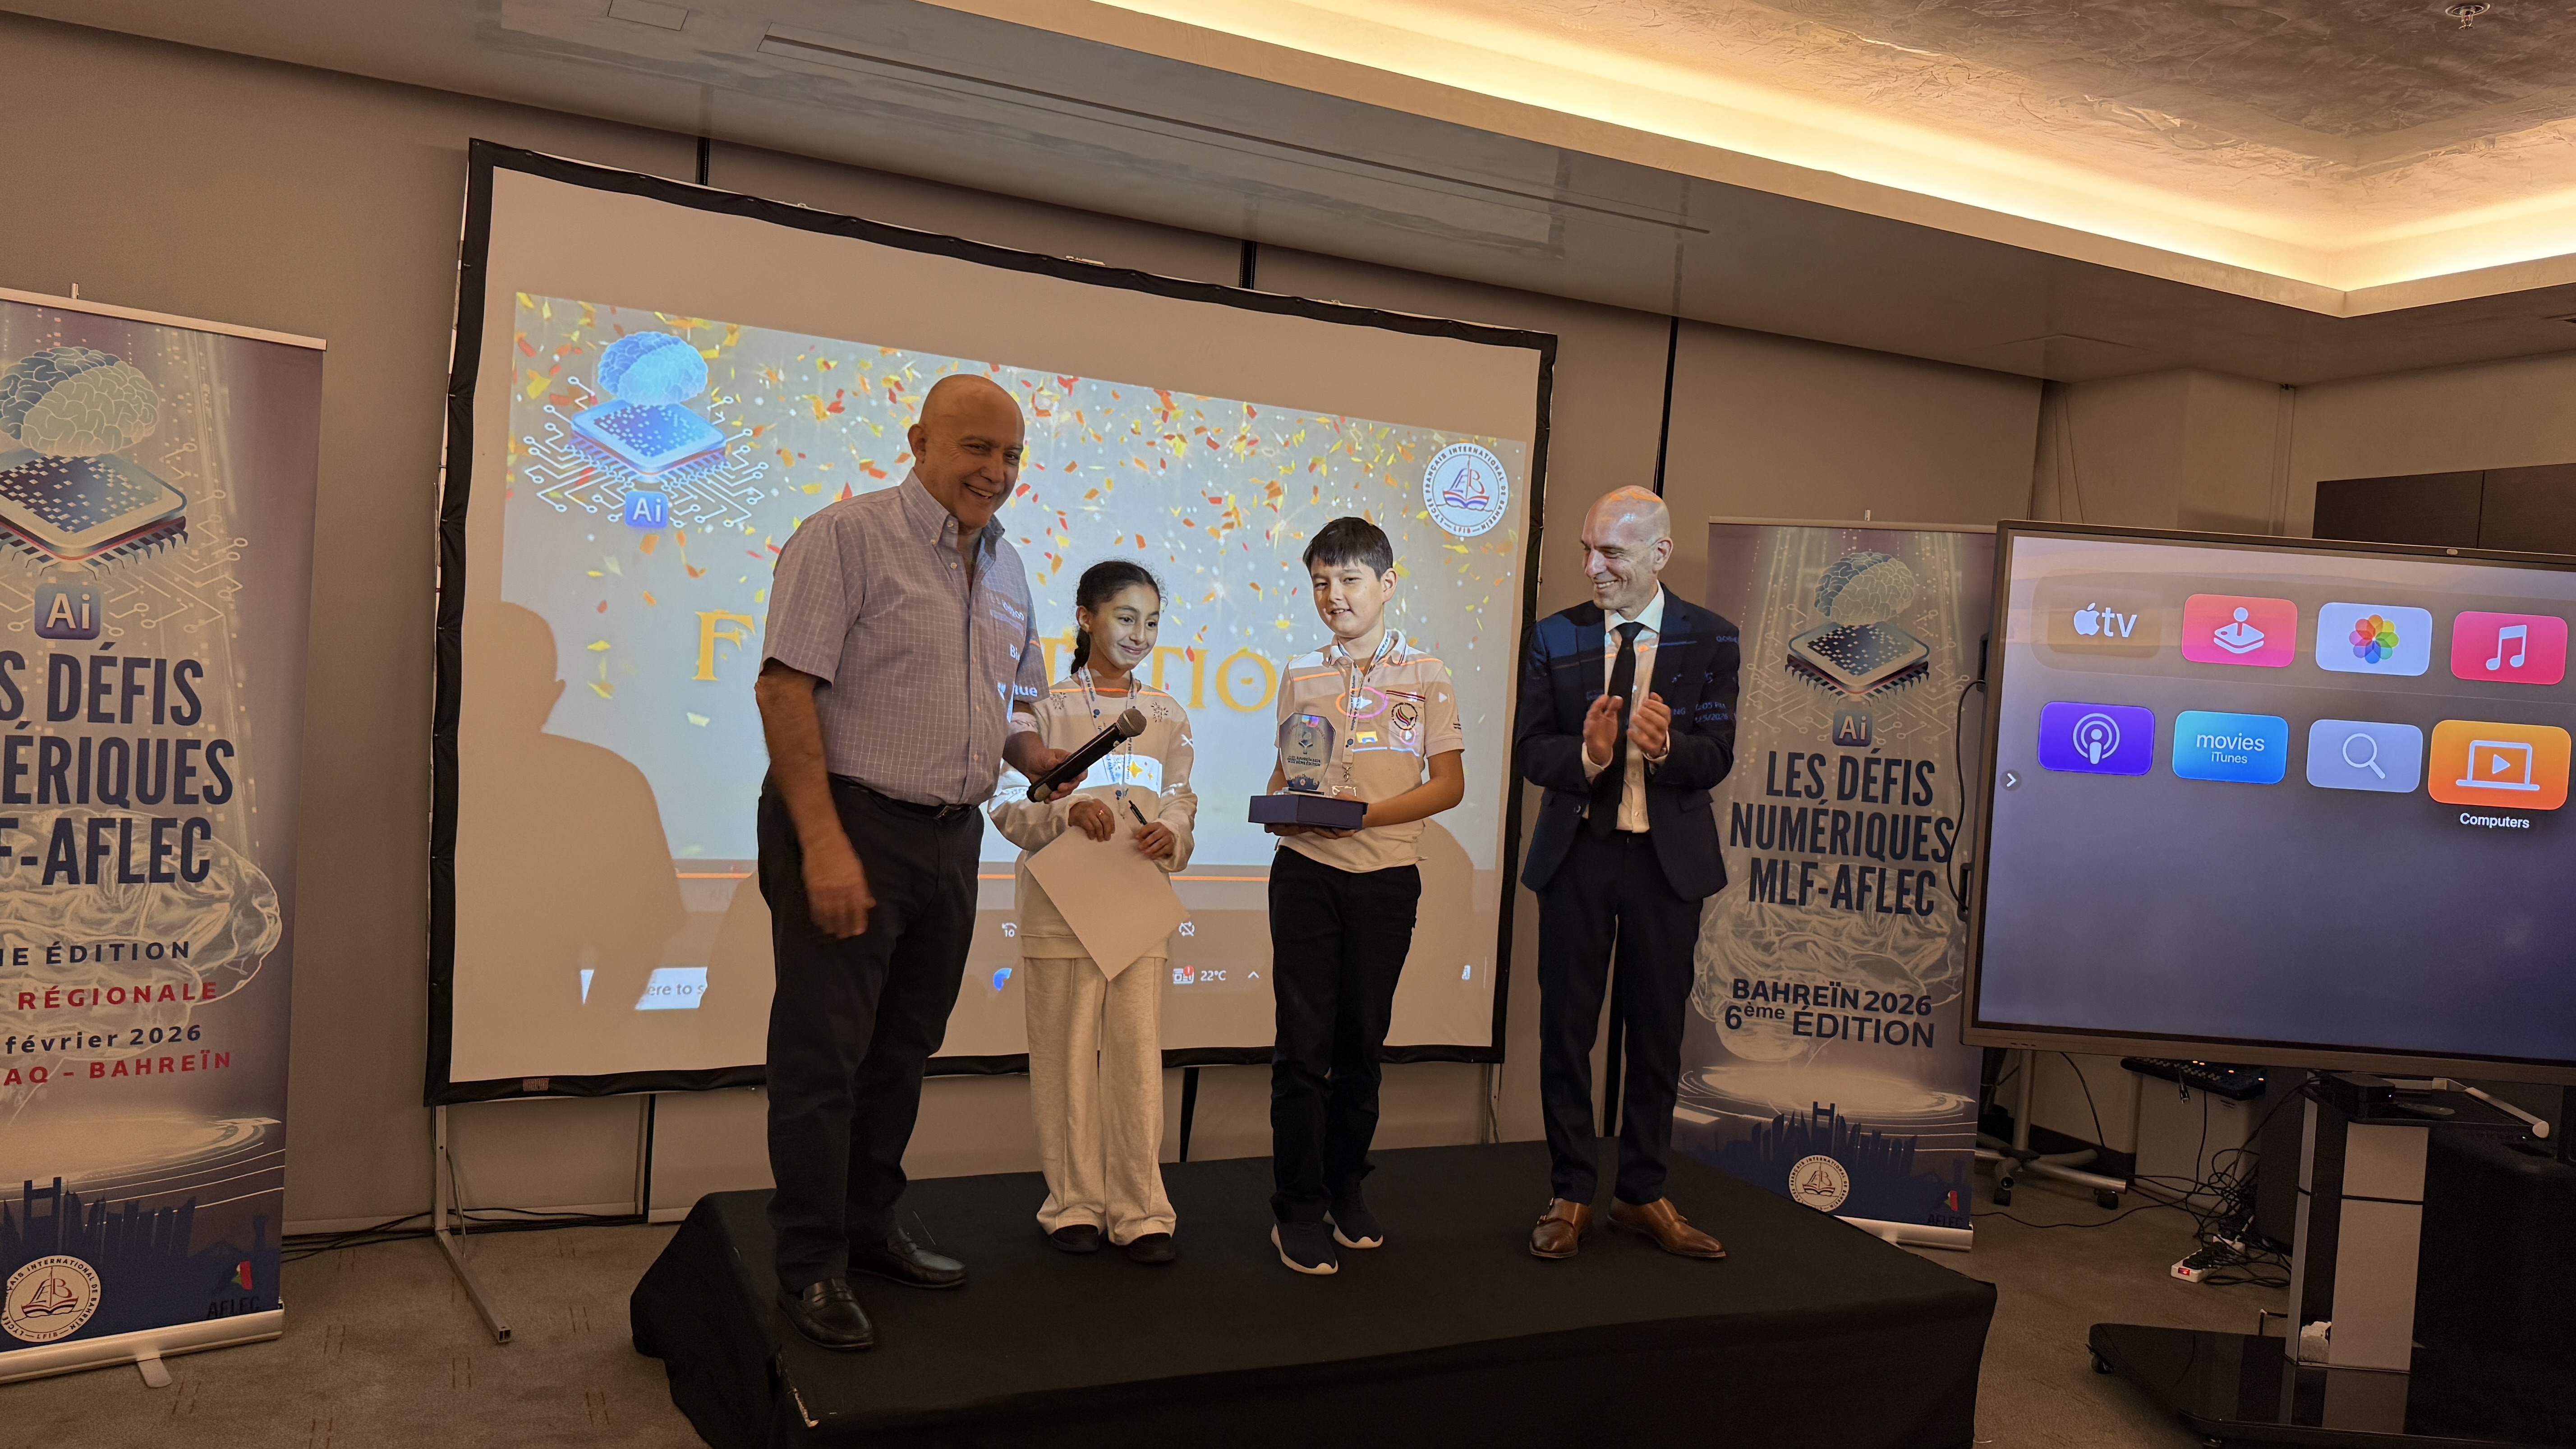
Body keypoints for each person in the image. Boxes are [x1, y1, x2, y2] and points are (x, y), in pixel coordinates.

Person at [753, 373, 1076, 1352]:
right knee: (825, 1057)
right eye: (978, 447)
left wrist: (1035, 756)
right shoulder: (846, 538)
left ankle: (866, 1227)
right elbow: (784, 690)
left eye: (1011, 455)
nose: (997, 471)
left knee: (903, 1050)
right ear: (919, 440)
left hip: (952, 834)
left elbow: (1011, 703)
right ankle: (810, 1262)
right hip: (848, 820)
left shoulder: (1008, 566)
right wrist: (823, 844)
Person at [1516, 487, 1739, 1262]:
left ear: (1659, 553)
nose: (1593, 567)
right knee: (1566, 1032)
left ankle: (1642, 1192)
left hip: (1665, 864)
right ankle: (1571, 1190)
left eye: (1610, 552)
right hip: (1577, 854)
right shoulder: (1556, 636)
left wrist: (1669, 747)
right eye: (1587, 549)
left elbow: (1719, 754)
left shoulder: (1711, 638)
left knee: (1657, 1035)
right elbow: (1530, 748)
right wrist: (1589, 756)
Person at [1261, 516, 1464, 1276]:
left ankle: (1346, 1190)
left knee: (1360, 1046)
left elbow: (1450, 784)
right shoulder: (1300, 671)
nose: (1333, 596)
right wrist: (1282, 806)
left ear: (1386, 584)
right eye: (1320, 582)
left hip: (1385, 879)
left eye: (1348, 580)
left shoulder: (1427, 672)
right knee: (1301, 1048)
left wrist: (1365, 816)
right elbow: (1287, 775)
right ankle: (1296, 1208)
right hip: (1306, 874)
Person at [988, 560, 1196, 1266]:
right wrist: (1064, 813)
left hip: (1137, 907)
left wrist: (1174, 834)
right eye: (1125, 617)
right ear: (1085, 616)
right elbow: (1004, 804)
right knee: (1064, 1061)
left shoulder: (1166, 713)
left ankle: (1141, 1209)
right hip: (1060, 910)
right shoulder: (1041, 709)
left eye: (1152, 622)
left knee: (1137, 1059)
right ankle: (1072, 1203)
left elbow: (1182, 797)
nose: (1140, 634)